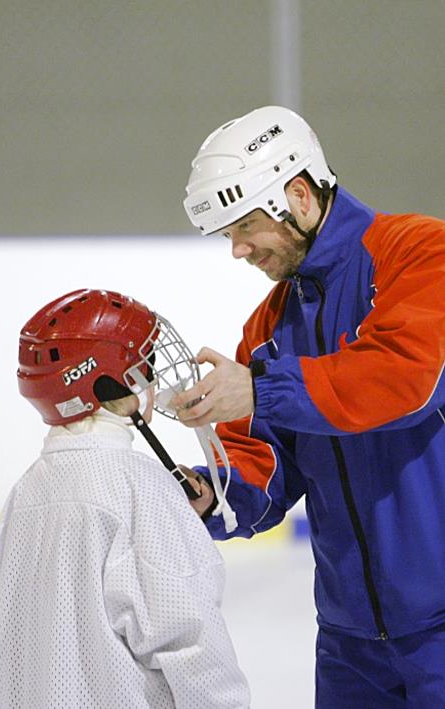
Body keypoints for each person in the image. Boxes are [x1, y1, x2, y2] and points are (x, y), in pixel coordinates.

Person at [175, 106, 445, 707]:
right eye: (227, 235)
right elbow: (265, 463)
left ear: (297, 196)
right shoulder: (268, 327)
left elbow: (406, 380)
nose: (238, 251)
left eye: (245, 227)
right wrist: (209, 493)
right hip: (351, 645)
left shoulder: (419, 253)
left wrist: (262, 390)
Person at [0, 288, 250, 709]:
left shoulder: (27, 492)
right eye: (143, 364)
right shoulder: (140, 487)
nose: (151, 375)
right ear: (107, 381)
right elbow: (191, 640)